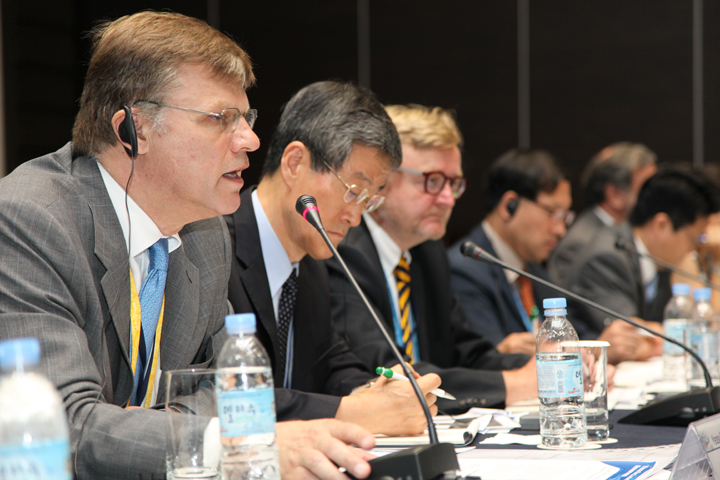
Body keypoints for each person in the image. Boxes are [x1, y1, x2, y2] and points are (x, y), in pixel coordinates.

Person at [0, 12, 377, 480]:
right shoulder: (29, 220)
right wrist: (228, 443)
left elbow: (225, 386)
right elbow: (63, 429)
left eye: (247, 117)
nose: (252, 140)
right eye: (220, 119)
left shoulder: (205, 234)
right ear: (132, 130)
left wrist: (144, 432)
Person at [225, 82, 441, 435]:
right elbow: (223, 394)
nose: (356, 218)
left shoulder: (312, 265)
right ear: (295, 163)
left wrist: (379, 391)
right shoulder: (214, 251)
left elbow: (331, 364)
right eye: (354, 191)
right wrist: (352, 412)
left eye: (369, 201)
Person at [327, 105, 536, 412]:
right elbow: (384, 368)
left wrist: (547, 365)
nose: (448, 199)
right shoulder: (343, 250)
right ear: (380, 179)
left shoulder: (428, 251)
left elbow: (467, 351)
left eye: (454, 183)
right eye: (433, 181)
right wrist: (512, 385)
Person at [448, 148, 659, 364]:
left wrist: (606, 343)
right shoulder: (464, 270)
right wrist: (588, 353)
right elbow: (487, 361)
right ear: (508, 206)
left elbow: (572, 333)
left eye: (565, 216)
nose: (560, 230)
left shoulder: (533, 270)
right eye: (553, 213)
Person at [555, 168, 720, 343]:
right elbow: (631, 338)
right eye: (696, 238)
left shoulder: (658, 259)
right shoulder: (606, 258)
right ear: (661, 225)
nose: (695, 248)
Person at [549, 142, 657, 286]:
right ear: (615, 195)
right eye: (647, 188)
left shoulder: (624, 232)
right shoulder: (581, 244)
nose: (656, 197)